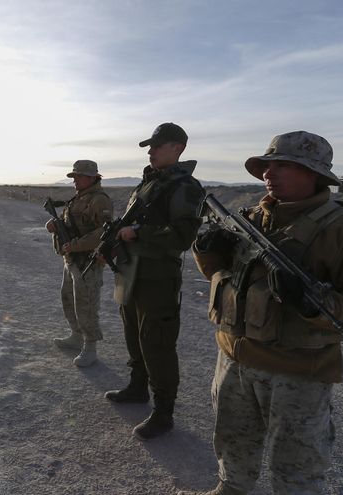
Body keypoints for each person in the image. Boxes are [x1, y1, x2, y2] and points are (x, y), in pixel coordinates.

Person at [181, 131, 343, 494]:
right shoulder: (251, 218)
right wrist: (207, 250)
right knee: (232, 447)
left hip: (298, 372)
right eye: (267, 165)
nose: (270, 173)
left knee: (296, 470)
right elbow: (227, 279)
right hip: (234, 359)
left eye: (284, 166)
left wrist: (318, 304)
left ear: (314, 174)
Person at [104, 123, 205, 440]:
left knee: (157, 341)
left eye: (158, 146)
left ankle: (164, 412)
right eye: (151, 146)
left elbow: (183, 236)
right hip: (131, 270)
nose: (151, 151)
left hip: (158, 276)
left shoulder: (185, 188)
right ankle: (137, 387)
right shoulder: (147, 184)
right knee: (132, 331)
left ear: (177, 148)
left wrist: (139, 233)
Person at [46, 160, 113, 367]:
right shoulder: (78, 198)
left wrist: (75, 246)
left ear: (93, 177)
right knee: (68, 299)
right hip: (72, 260)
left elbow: (105, 232)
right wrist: (55, 226)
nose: (75, 180)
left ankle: (90, 347)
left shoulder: (99, 200)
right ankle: (76, 336)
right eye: (74, 177)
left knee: (87, 304)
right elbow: (71, 224)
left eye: (79, 176)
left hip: (87, 262)